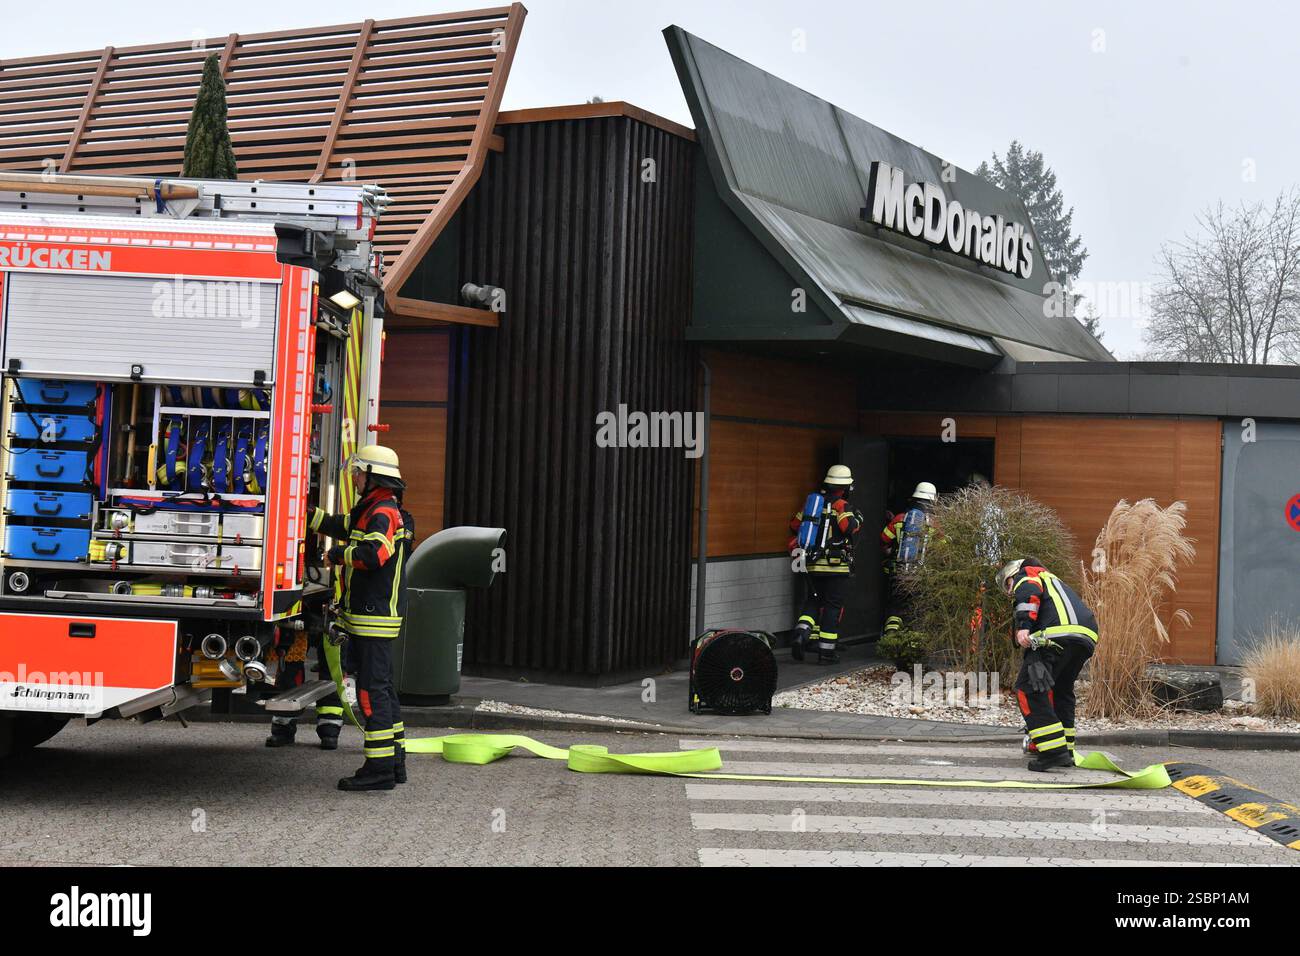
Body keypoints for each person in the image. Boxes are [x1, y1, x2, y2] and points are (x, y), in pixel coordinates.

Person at [308, 445, 415, 792]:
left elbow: (374, 553)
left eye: (358, 473)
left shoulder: (383, 510)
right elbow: (347, 526)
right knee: (382, 689)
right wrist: (311, 515)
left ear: (371, 475)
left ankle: (379, 768)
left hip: (374, 617)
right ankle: (394, 761)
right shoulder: (375, 507)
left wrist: (337, 555)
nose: (354, 478)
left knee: (371, 693)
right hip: (374, 617)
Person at [997, 557, 1099, 772]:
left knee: (1028, 690)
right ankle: (1066, 750)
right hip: (1084, 639)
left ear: (1012, 575)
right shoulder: (1055, 581)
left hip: (1053, 637)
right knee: (1061, 691)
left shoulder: (1028, 574)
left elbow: (1027, 593)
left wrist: (1024, 625)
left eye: (1008, 584)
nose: (1009, 590)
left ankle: (1053, 752)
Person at [787, 465, 863, 664]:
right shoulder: (841, 505)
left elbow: (794, 526)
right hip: (835, 567)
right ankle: (826, 653)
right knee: (832, 607)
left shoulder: (811, 504)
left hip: (812, 564)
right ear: (845, 487)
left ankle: (800, 635)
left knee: (813, 602)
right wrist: (857, 517)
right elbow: (850, 528)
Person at [264, 631, 345, 750]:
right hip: (298, 619)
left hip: (331, 617)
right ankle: (283, 728)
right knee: (289, 669)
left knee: (331, 670)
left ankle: (330, 729)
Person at [879, 482, 937, 638]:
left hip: (898, 572)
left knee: (895, 605)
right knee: (917, 608)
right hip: (921, 576)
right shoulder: (935, 525)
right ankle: (914, 643)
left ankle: (891, 635)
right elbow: (942, 551)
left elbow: (884, 538)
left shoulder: (899, 519)